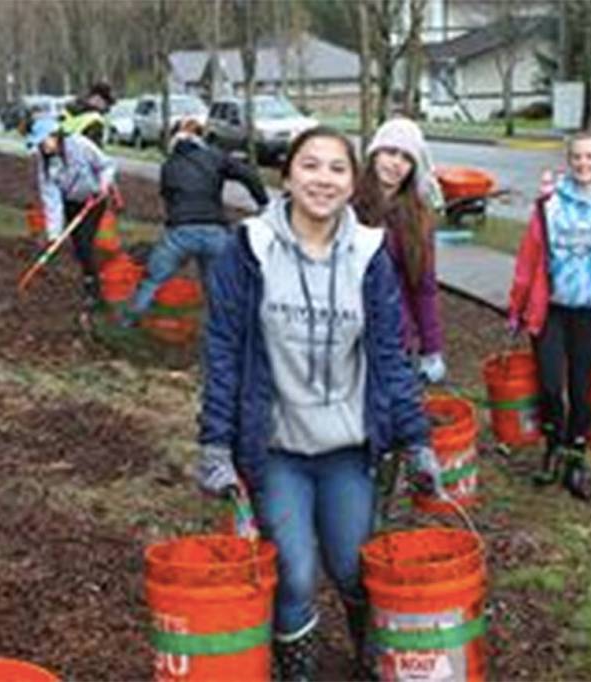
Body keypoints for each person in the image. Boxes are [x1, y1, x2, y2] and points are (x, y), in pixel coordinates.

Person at [195, 126, 446, 679]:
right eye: (310, 165)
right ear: (287, 175)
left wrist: (419, 441)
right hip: (277, 447)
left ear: (352, 181)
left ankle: (370, 657)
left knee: (355, 569)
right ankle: (298, 672)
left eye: (337, 168)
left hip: (346, 449)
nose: (323, 179)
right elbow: (224, 352)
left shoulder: (369, 255)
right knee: (296, 573)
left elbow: (389, 360)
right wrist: (214, 443)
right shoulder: (250, 250)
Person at [508, 129, 591, 502]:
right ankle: (553, 446)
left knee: (581, 389)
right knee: (550, 385)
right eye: (577, 157)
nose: (583, 163)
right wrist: (516, 307)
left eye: (590, 157)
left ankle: (576, 456)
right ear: (569, 162)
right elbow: (529, 260)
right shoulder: (547, 207)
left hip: (589, 314)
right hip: (550, 310)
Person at [122, 116, 269, 325]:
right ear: (201, 137)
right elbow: (248, 175)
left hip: (179, 233)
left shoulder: (169, 165)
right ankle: (232, 328)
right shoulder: (215, 157)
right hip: (215, 231)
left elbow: (168, 197)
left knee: (152, 280)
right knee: (221, 283)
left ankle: (128, 324)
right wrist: (262, 203)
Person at [352, 118, 445, 385]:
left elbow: (424, 287)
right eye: (390, 152)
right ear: (374, 154)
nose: (396, 163)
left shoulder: (416, 218)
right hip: (347, 333)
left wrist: (431, 346)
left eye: (406, 158)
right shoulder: (347, 204)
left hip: (394, 337)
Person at [27, 116, 117, 309]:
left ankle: (95, 292)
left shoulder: (80, 145)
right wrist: (54, 234)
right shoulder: (45, 162)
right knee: (78, 246)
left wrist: (103, 185)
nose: (42, 147)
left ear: (55, 135)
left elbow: (106, 165)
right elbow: (51, 198)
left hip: (94, 200)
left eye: (43, 142)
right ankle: (89, 280)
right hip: (70, 203)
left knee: (85, 242)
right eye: (39, 144)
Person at [62, 81, 115, 147]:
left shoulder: (68, 108)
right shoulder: (95, 120)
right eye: (107, 103)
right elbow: (93, 150)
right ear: (97, 99)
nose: (107, 108)